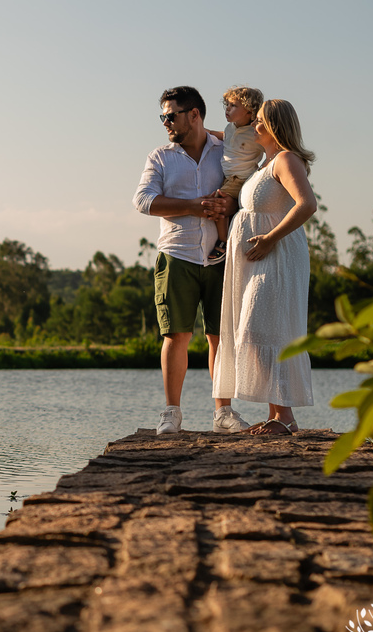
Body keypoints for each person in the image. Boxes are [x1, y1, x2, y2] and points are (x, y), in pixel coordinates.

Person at [133, 86, 249, 436]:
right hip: (177, 255)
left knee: (220, 338)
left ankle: (224, 413)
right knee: (176, 335)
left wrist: (229, 206)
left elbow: (244, 190)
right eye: (163, 116)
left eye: (172, 115)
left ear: (194, 115)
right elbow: (143, 200)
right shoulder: (160, 157)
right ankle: (172, 414)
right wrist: (194, 205)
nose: (166, 122)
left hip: (222, 258)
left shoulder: (225, 151)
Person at [212, 99, 317, 434]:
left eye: (259, 121)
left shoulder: (286, 159)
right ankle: (277, 415)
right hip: (259, 259)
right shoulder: (265, 163)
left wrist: (270, 237)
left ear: (274, 125)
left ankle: (285, 417)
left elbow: (307, 204)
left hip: (278, 256)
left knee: (262, 328)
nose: (254, 126)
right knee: (258, 329)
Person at [206, 86, 266, 261]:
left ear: (249, 110)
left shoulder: (255, 131)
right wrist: (208, 133)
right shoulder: (231, 127)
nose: (227, 109)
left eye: (233, 106)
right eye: (227, 105)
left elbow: (269, 146)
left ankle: (223, 242)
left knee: (219, 202)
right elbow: (226, 136)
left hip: (240, 178)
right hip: (229, 177)